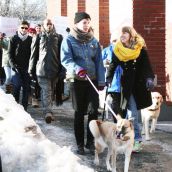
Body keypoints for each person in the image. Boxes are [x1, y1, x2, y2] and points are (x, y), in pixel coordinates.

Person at [61, 12, 105, 155]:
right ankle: (79, 144)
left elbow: (98, 62)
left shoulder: (93, 41)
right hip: (77, 80)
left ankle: (90, 143)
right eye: (84, 22)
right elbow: (66, 59)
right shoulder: (69, 40)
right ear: (76, 24)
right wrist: (77, 68)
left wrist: (101, 80)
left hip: (91, 80)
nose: (86, 25)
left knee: (93, 111)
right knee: (79, 112)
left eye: (88, 22)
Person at [106, 26, 155, 152]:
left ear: (131, 35)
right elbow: (113, 64)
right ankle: (127, 139)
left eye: (124, 33)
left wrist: (149, 78)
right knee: (126, 113)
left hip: (137, 84)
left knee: (132, 113)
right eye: (120, 33)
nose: (122, 35)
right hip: (126, 85)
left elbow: (146, 66)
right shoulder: (118, 49)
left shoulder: (140, 49)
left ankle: (137, 140)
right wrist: (109, 78)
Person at [28, 19, 63, 123]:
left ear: (52, 25)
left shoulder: (59, 37)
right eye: (46, 24)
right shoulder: (38, 37)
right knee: (46, 91)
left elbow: (62, 55)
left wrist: (63, 70)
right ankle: (48, 112)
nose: (48, 25)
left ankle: (49, 111)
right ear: (43, 25)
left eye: (50, 24)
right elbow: (33, 54)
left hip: (54, 69)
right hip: (42, 69)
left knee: (51, 91)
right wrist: (31, 69)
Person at [8, 21, 32, 110]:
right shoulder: (13, 38)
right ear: (19, 28)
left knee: (26, 88)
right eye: (22, 27)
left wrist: (31, 67)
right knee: (17, 86)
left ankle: (24, 108)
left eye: (26, 28)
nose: (24, 29)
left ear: (28, 29)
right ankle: (16, 108)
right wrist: (13, 65)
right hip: (16, 67)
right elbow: (10, 54)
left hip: (27, 68)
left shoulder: (30, 39)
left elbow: (33, 55)